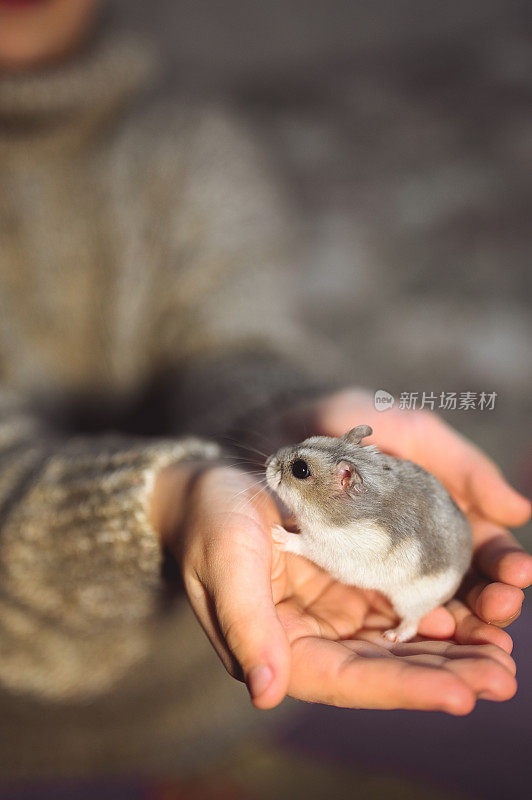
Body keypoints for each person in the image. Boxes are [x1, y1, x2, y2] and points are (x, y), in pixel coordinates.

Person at [0, 0, 530, 780]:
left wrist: (283, 410)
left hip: (222, 680)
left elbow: (228, 346)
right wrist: (165, 500)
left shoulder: (190, 144)